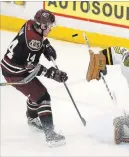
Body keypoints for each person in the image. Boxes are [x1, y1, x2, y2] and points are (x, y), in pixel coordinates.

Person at [0, 9, 68, 147]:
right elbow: (31, 67)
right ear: (42, 26)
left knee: (37, 92)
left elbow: (34, 42)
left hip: (12, 66)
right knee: (43, 97)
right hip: (16, 74)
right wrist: (52, 73)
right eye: (49, 26)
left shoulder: (30, 24)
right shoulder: (34, 43)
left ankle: (32, 119)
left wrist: (46, 46)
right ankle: (51, 136)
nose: (51, 28)